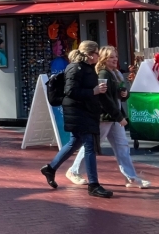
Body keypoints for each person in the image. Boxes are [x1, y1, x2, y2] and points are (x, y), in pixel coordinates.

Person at [66, 46, 151, 189]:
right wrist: (119, 117)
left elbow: (118, 95)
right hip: (105, 117)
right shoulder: (103, 73)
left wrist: (125, 94)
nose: (115, 59)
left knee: (122, 146)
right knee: (92, 145)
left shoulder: (116, 73)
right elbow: (105, 99)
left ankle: (131, 177)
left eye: (116, 57)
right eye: (111, 57)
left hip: (114, 116)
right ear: (104, 59)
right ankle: (74, 171)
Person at [38, 40, 113, 199]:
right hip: (78, 112)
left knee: (74, 143)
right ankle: (93, 184)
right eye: (96, 53)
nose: (98, 56)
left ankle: (50, 168)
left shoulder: (87, 68)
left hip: (83, 112)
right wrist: (93, 91)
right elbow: (70, 91)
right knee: (90, 146)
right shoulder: (75, 68)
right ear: (88, 54)